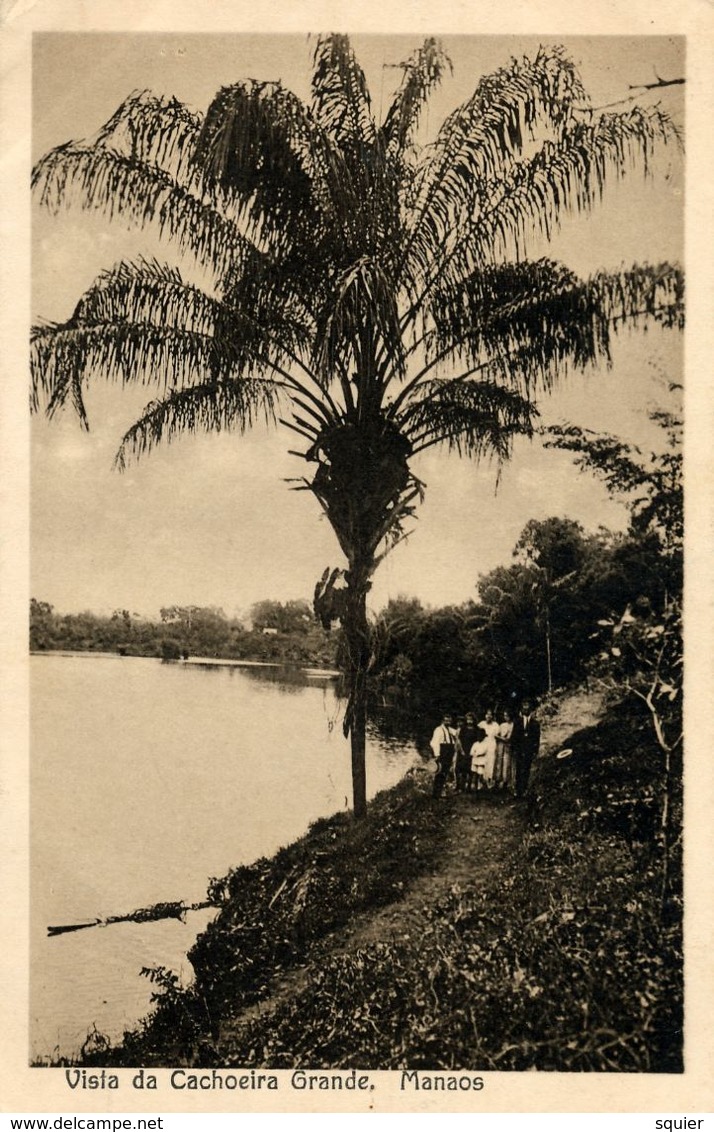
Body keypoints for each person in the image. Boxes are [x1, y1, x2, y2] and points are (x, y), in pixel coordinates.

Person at [511, 700, 541, 798]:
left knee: (526, 769)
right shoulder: (517, 722)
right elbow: (514, 736)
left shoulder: (535, 724)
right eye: (524, 706)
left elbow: (537, 738)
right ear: (522, 708)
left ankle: (524, 790)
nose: (526, 708)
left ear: (530, 709)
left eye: (527, 706)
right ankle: (518, 790)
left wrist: (535, 751)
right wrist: (514, 749)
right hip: (519, 749)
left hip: (529, 750)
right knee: (519, 769)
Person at [430, 713, 458, 799]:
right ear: (442, 720)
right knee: (440, 772)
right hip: (442, 752)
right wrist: (437, 754)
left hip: (449, 752)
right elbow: (434, 743)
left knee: (445, 772)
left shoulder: (450, 730)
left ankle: (442, 791)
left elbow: (458, 733)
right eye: (446, 720)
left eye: (449, 720)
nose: (448, 722)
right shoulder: (438, 730)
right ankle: (436, 794)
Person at [457, 712, 480, 792]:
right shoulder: (463, 729)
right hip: (464, 750)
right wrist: (461, 751)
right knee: (463, 769)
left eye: (471, 720)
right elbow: (459, 740)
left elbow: (478, 741)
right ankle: (461, 787)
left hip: (472, 751)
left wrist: (475, 751)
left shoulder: (476, 729)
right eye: (468, 720)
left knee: (471, 770)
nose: (470, 721)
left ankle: (469, 787)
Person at [477, 708, 500, 788]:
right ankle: (481, 782)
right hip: (483, 744)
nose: (488, 716)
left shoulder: (496, 725)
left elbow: (497, 736)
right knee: (482, 762)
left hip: (492, 745)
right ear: (485, 715)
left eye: (490, 714)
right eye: (487, 714)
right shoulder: (481, 724)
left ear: (492, 716)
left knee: (491, 763)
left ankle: (489, 783)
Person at [495, 708, 515, 791]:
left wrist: (503, 738)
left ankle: (505, 783)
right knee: (499, 763)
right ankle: (497, 782)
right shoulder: (502, 725)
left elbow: (509, 738)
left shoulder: (513, 725)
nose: (505, 717)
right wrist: (501, 738)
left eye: (507, 715)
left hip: (508, 746)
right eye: (504, 716)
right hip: (500, 746)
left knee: (506, 764)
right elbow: (496, 735)